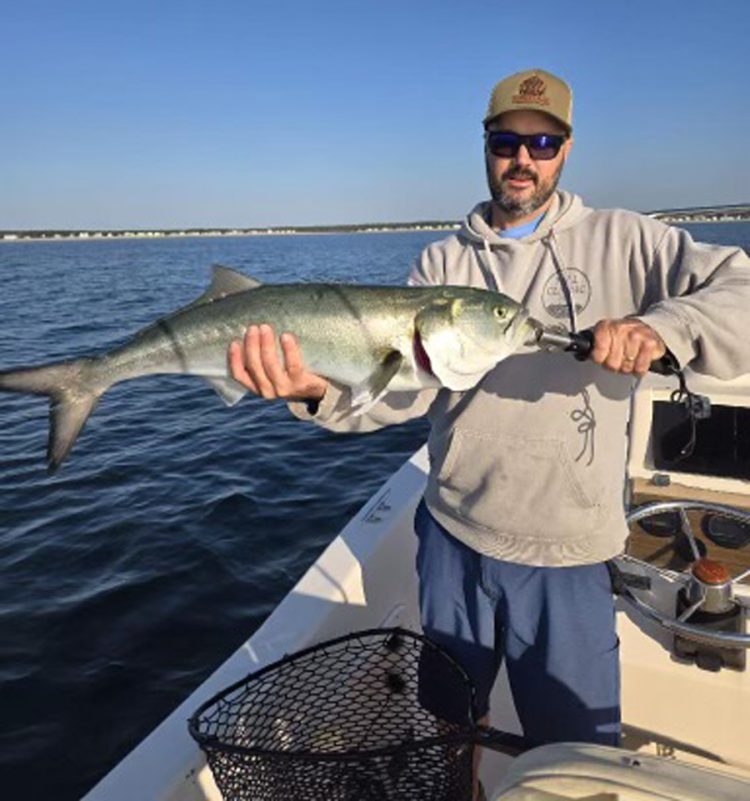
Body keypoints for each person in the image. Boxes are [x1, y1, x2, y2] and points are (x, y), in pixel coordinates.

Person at [227, 67, 750, 784]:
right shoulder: (442, 262)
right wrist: (317, 391)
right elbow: (395, 395)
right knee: (448, 723)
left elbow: (741, 289)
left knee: (578, 756)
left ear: (566, 148)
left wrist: (664, 327)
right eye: (507, 140)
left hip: (569, 554)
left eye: (542, 141)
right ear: (486, 144)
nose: (523, 158)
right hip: (454, 543)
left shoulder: (629, 242)